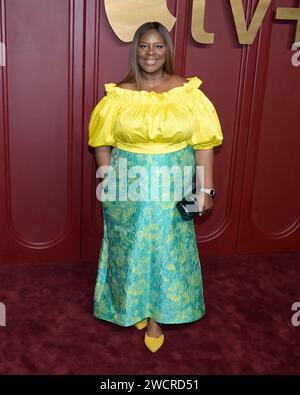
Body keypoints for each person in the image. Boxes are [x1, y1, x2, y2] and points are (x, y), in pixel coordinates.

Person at [88, 21, 223, 353]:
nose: (151, 53)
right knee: (129, 247)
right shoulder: (118, 94)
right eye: (144, 46)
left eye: (158, 46)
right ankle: (132, 305)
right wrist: (107, 178)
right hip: (127, 188)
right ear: (136, 50)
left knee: (166, 249)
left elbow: (204, 145)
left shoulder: (188, 93)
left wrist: (205, 190)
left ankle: (157, 317)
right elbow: (101, 142)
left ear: (168, 51)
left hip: (171, 186)